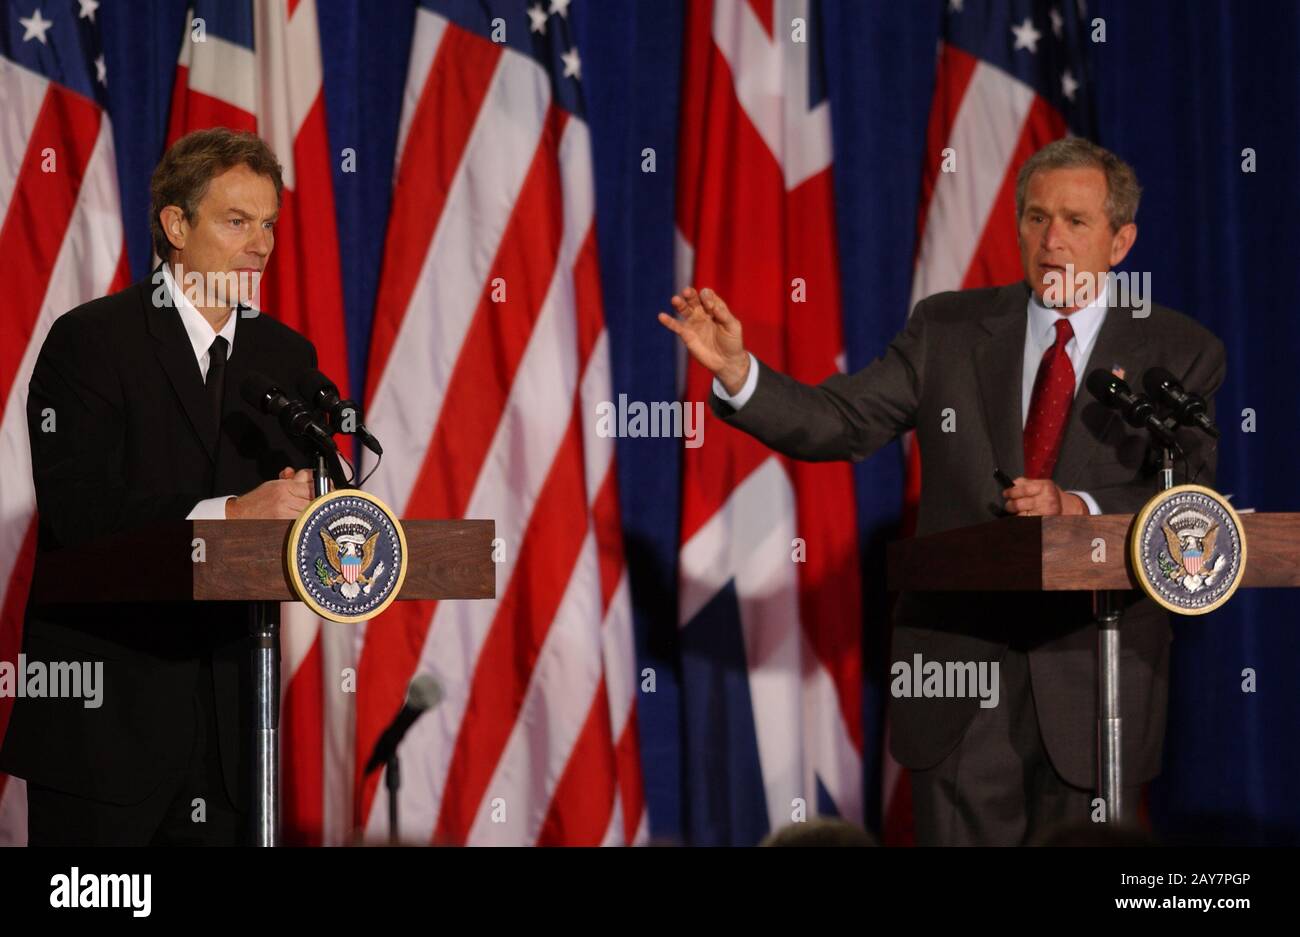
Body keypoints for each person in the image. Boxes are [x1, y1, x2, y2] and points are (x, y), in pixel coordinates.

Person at [658, 137, 1226, 846]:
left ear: (1120, 241)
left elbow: (1191, 498)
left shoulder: (1175, 351)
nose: (1051, 240)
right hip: (959, 679)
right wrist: (742, 373)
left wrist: (1076, 512)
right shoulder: (947, 328)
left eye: (1076, 222)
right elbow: (842, 420)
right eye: (1036, 217)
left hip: (1094, 676)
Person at [0, 128, 321, 845]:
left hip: (236, 735)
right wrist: (232, 513)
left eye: (269, 224)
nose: (260, 244)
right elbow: (81, 515)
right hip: (107, 732)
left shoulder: (286, 357)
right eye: (237, 222)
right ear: (176, 224)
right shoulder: (92, 340)